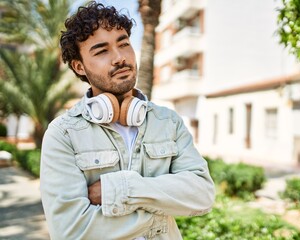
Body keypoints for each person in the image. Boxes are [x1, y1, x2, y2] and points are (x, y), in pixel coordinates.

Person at [40, 1, 215, 239]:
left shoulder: (168, 122)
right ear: (79, 66)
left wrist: (117, 190)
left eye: (124, 44)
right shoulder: (63, 134)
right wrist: (161, 212)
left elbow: (202, 195)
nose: (119, 58)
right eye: (102, 51)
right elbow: (72, 231)